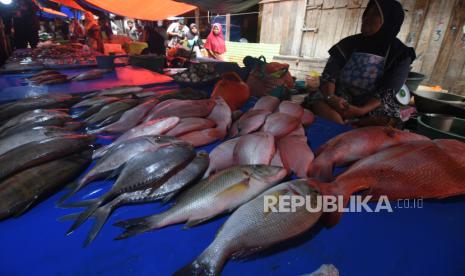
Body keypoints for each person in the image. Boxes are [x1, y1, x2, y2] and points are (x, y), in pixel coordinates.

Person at [304, 0, 416, 128]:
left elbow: (389, 90)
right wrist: (331, 98)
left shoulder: (400, 53)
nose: (367, 18)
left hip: (371, 103)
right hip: (339, 96)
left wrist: (362, 110)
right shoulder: (348, 44)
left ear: (389, 20)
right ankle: (343, 125)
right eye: (367, 12)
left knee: (390, 118)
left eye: (375, 14)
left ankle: (348, 124)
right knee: (318, 101)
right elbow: (329, 75)